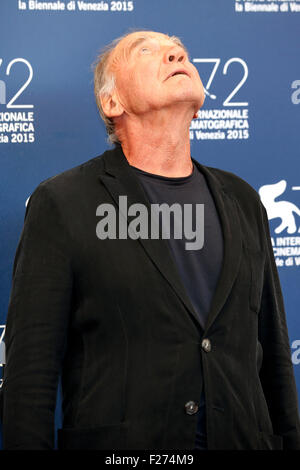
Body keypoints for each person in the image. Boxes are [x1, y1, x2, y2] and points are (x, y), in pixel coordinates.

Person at [1, 30, 300, 450]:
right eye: (148, 51)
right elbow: (30, 375)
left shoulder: (244, 201)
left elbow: (273, 358)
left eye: (180, 50)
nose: (177, 53)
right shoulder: (64, 202)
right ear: (112, 103)